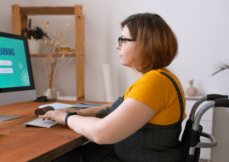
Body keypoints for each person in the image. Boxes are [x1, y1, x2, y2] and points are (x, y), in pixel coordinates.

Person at [39, 13, 186, 162]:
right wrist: (79, 112)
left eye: (123, 40)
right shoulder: (158, 78)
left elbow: (101, 133)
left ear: (144, 44)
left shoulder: (154, 82)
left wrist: (65, 117)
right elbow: (120, 107)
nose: (117, 46)